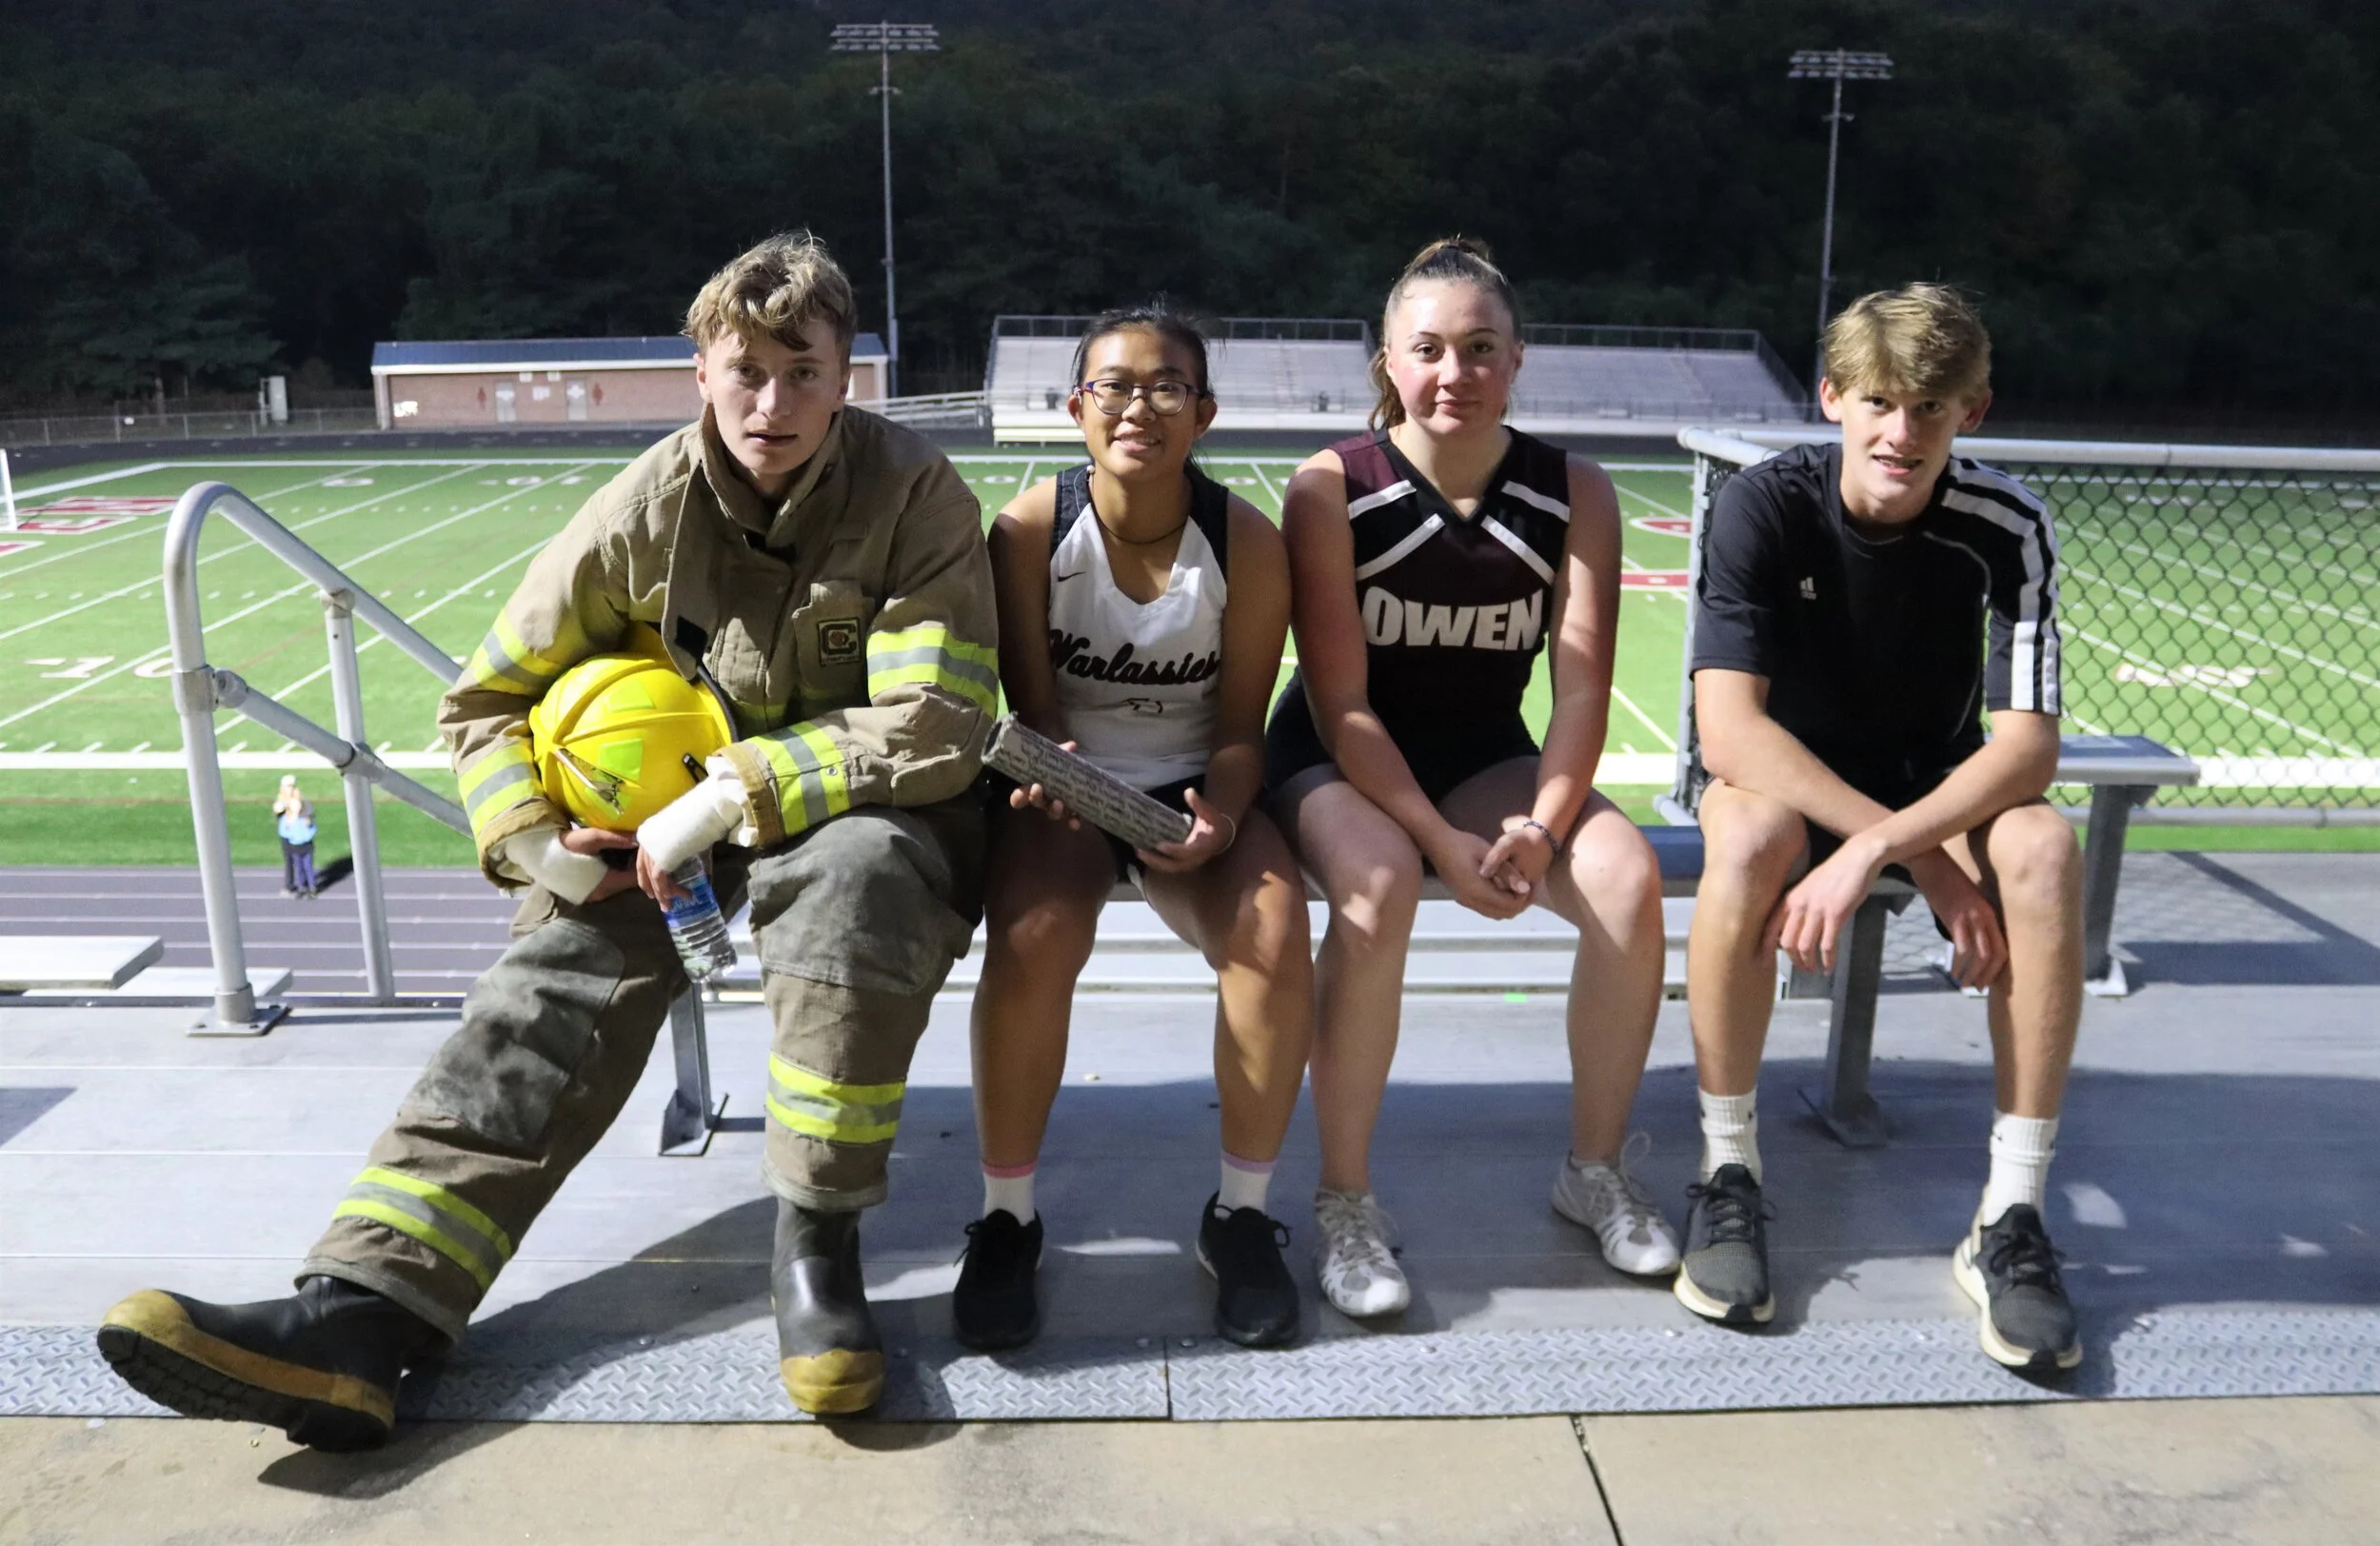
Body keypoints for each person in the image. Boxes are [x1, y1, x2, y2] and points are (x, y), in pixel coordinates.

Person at [95, 231, 1000, 1444]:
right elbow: (487, 700)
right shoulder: (643, 509)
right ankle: (366, 1308)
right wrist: (540, 843)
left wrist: (729, 794)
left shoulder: (914, 494)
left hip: (856, 811)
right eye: (745, 371)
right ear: (699, 371)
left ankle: (816, 1247)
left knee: (853, 881)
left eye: (802, 372)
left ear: (848, 378)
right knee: (553, 969)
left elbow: (932, 721)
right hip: (659, 832)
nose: (770, 403)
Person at [1677, 283, 2084, 1372]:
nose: (1903, 432)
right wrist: (1910, 859)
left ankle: (2011, 1212)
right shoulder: (1762, 504)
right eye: (1881, 402)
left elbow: (2027, 749)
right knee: (1753, 839)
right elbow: (1728, 732)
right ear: (1833, 397)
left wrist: (1887, 847)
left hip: (1928, 787)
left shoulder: (2010, 523)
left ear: (1973, 413)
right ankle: (1727, 1174)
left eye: (1932, 409)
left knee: (2043, 846)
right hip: (1786, 775)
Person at [1267, 239, 1676, 1319]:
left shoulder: (1572, 489)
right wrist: (1437, 844)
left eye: (1481, 348)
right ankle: (1345, 1200)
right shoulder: (1331, 488)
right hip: (1333, 755)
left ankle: (1592, 1170)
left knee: (1628, 881)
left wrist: (1541, 828)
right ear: (1388, 364)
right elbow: (1341, 703)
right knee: (1380, 883)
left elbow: (1580, 693)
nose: (1456, 373)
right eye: (1430, 349)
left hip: (1482, 752)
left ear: (1517, 359)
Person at [952, 305, 1311, 1352]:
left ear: (1203, 413)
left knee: (1274, 931)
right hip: (1067, 784)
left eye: (1164, 387)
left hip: (1198, 780)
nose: (1137, 406)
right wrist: (1059, 777)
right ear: (1075, 408)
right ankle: (1007, 1217)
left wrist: (1225, 815)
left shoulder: (1247, 540)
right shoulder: (1026, 529)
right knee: (1032, 937)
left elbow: (1242, 730)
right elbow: (1040, 716)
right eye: (1113, 385)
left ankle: (1240, 1215)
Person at [272, 776, 314, 898]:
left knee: (304, 862)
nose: (288, 790)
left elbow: (309, 814)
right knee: (289, 860)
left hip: (299, 835)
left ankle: (308, 885)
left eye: (290, 787)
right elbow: (277, 811)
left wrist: (298, 810)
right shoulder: (281, 801)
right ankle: (290, 885)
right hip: (286, 835)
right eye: (286, 787)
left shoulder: (301, 800)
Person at [277, 791, 320, 901]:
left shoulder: (305, 819)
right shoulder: (286, 820)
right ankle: (302, 887)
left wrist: (306, 834)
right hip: (295, 847)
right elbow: (282, 832)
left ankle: (312, 888)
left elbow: (313, 830)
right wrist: (292, 834)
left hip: (306, 846)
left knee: (308, 867)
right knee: (299, 868)